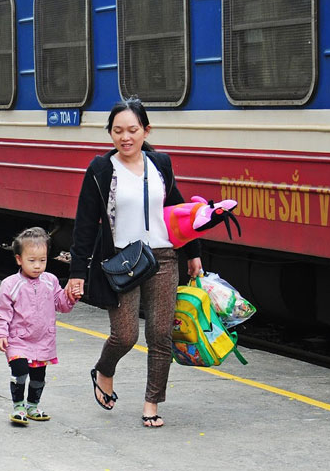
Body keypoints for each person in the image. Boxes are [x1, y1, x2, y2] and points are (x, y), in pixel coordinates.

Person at [67, 98, 202, 428]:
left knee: (160, 336)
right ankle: (104, 369)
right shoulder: (101, 170)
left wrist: (194, 252)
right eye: (117, 131)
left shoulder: (161, 164)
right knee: (125, 335)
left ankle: (152, 403)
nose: (125, 137)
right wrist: (77, 273)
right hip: (122, 261)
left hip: (164, 256)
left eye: (132, 130)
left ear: (146, 130)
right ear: (110, 134)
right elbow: (85, 224)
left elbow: (177, 209)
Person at [0, 227, 82, 426]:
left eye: (42, 260)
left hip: (43, 340)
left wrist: (71, 297)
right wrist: (0, 334)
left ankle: (33, 405)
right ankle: (18, 407)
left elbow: (61, 305)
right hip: (18, 339)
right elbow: (2, 312)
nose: (38, 266)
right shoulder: (10, 284)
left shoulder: (51, 281)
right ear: (19, 259)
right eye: (31, 261)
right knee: (20, 370)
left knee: (38, 375)